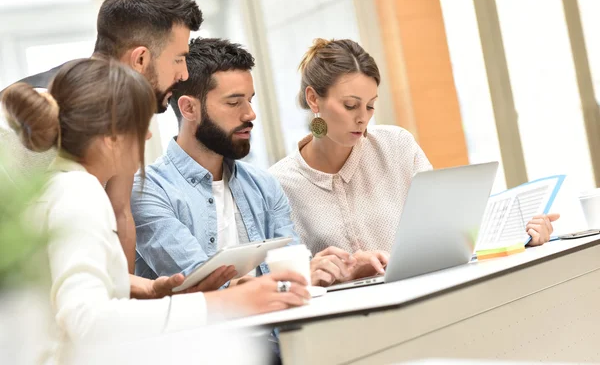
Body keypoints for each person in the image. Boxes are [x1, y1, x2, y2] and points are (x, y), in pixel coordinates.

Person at [1, 58, 310, 362]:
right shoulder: (80, 194)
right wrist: (223, 301)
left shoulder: (62, 187)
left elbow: (68, 281)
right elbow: (87, 319)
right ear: (111, 136)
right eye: (141, 125)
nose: (148, 135)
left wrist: (146, 288)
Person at [0, 0, 230, 292]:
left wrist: (134, 293)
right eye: (179, 58)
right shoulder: (34, 119)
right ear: (140, 59)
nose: (185, 74)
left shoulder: (126, 114)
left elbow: (120, 213)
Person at [269, 38, 560, 282]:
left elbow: (450, 232)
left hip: (420, 304)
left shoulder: (396, 146)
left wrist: (519, 235)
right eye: (350, 105)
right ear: (313, 99)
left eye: (370, 105)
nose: (363, 117)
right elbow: (285, 281)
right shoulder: (279, 184)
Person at [131, 37, 356, 287]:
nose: (250, 114)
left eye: (250, 99)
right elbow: (202, 283)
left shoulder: (263, 185)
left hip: (279, 325)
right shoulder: (147, 190)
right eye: (234, 102)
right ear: (189, 109)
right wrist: (295, 276)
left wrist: (345, 269)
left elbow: (294, 267)